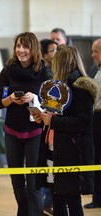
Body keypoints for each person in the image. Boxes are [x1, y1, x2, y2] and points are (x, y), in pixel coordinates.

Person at [0, 32, 53, 216]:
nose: (21, 50)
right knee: (17, 181)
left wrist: (35, 98)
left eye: (25, 46)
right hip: (12, 130)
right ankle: (26, 212)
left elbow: (51, 101)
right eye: (18, 46)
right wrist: (11, 98)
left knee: (34, 182)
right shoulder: (8, 69)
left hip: (35, 130)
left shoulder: (44, 70)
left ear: (33, 48)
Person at [36, 44, 98, 216]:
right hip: (54, 149)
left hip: (72, 151)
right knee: (57, 198)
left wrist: (54, 121)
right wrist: (42, 118)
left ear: (61, 62)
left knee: (72, 200)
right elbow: (54, 115)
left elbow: (84, 122)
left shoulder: (81, 87)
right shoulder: (57, 86)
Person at [39, 38, 58, 215]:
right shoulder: (44, 73)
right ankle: (45, 203)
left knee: (51, 165)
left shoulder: (58, 72)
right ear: (45, 55)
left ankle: (49, 202)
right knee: (44, 165)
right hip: (40, 125)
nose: (56, 53)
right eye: (53, 50)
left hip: (54, 126)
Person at [83, 38, 101, 209]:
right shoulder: (94, 69)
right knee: (96, 158)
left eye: (96, 51)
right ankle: (97, 197)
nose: (92, 55)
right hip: (95, 119)